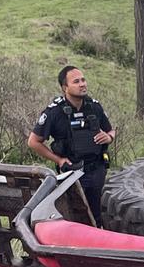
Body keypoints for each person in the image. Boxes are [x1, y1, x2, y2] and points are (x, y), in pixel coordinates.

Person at [28, 65, 115, 226]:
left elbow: (111, 130)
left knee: (99, 218)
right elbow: (33, 142)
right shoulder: (54, 112)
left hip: (97, 170)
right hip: (71, 174)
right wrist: (58, 160)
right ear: (64, 87)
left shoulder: (94, 106)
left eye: (83, 80)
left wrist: (109, 137)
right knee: (74, 219)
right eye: (76, 81)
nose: (82, 84)